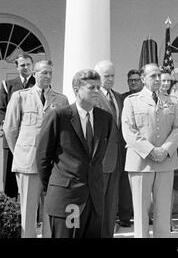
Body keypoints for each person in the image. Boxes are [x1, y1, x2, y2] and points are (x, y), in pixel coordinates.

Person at [36, 69, 113, 238]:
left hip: (94, 201)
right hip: (68, 199)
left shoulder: (105, 118)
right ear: (77, 89)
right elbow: (43, 157)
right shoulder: (59, 116)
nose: (96, 92)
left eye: (98, 88)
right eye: (91, 88)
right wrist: (58, 186)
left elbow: (97, 158)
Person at [3, 60, 68, 237]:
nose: (47, 76)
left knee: (51, 211)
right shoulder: (20, 97)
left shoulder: (61, 100)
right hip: (28, 164)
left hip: (54, 166)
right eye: (44, 72)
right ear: (35, 73)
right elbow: (10, 129)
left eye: (50, 73)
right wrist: (20, 154)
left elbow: (65, 132)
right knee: (28, 212)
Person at [122, 64, 178, 238]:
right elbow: (129, 132)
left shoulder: (171, 101)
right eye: (152, 76)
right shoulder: (131, 101)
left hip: (165, 162)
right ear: (143, 79)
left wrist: (165, 149)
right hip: (141, 163)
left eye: (159, 75)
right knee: (141, 211)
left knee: (163, 210)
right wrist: (151, 151)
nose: (157, 79)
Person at [94, 60, 131, 235]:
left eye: (112, 76)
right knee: (99, 200)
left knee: (112, 200)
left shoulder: (118, 97)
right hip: (100, 158)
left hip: (118, 156)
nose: (110, 79)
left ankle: (109, 233)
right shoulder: (93, 97)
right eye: (106, 76)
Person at [0, 53, 35, 198]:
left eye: (28, 64)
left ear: (32, 66)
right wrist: (3, 125)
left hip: (31, 138)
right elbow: (1, 109)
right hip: (12, 138)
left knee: (32, 176)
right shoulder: (7, 85)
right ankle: (11, 212)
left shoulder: (38, 85)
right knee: (9, 176)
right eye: (22, 65)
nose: (25, 67)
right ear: (17, 67)